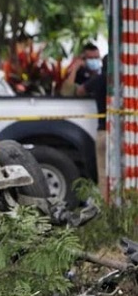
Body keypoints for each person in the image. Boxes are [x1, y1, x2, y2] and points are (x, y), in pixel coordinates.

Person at [61, 45, 107, 196]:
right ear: (83, 59)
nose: (95, 61)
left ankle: (106, 206)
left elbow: (79, 91)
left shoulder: (99, 78)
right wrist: (74, 69)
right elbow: (66, 92)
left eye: (97, 58)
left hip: (102, 131)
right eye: (91, 58)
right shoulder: (82, 75)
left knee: (103, 173)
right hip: (111, 131)